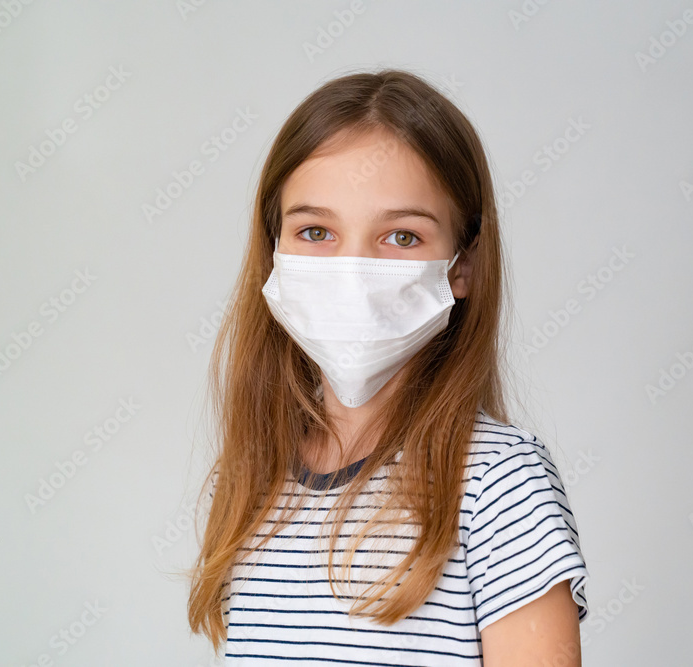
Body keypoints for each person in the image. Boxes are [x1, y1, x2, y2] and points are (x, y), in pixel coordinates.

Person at [187, 68, 589, 666]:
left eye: (401, 237)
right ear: (274, 251)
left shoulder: (499, 483)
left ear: (462, 265)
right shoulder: (250, 479)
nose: (351, 272)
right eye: (316, 231)